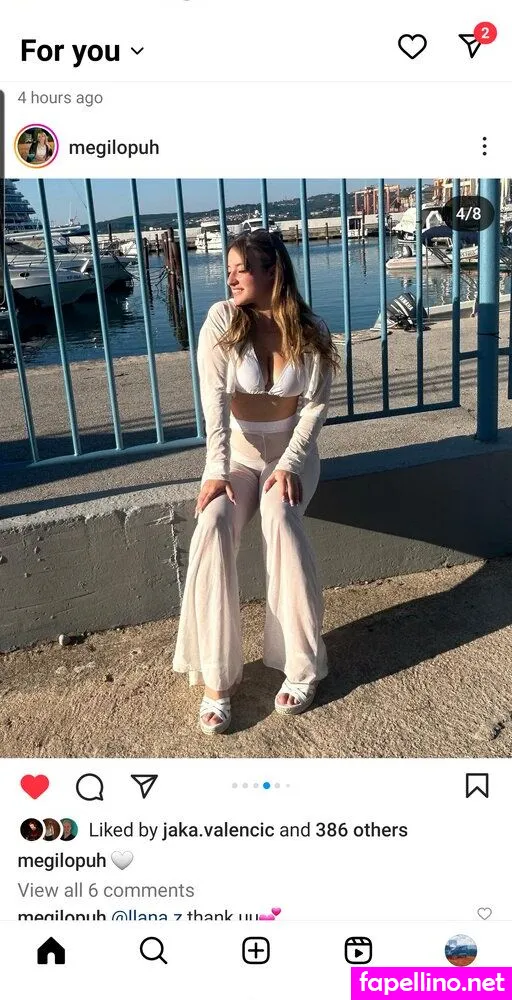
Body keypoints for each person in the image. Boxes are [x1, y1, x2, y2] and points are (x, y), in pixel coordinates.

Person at [172, 229, 341, 734]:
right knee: (212, 524)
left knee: (281, 520)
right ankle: (217, 679)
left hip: (292, 455)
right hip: (239, 460)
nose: (230, 278)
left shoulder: (311, 329)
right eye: (229, 269)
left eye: (240, 269)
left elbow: (314, 408)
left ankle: (301, 666)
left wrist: (289, 463)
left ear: (273, 271)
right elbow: (213, 403)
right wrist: (215, 471)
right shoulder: (221, 320)